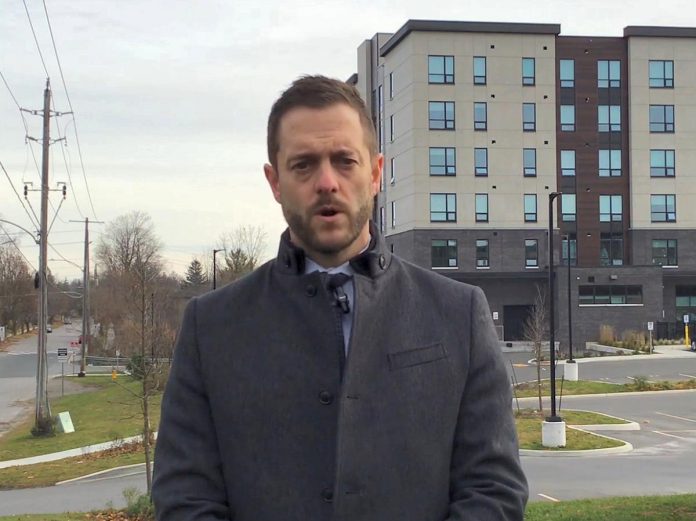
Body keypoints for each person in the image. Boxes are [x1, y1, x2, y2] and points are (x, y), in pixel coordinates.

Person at [152, 75, 528, 520]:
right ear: (275, 182)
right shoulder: (211, 327)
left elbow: (493, 490)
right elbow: (185, 498)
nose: (327, 182)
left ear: (374, 173)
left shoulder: (458, 313)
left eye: (344, 161)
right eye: (303, 165)